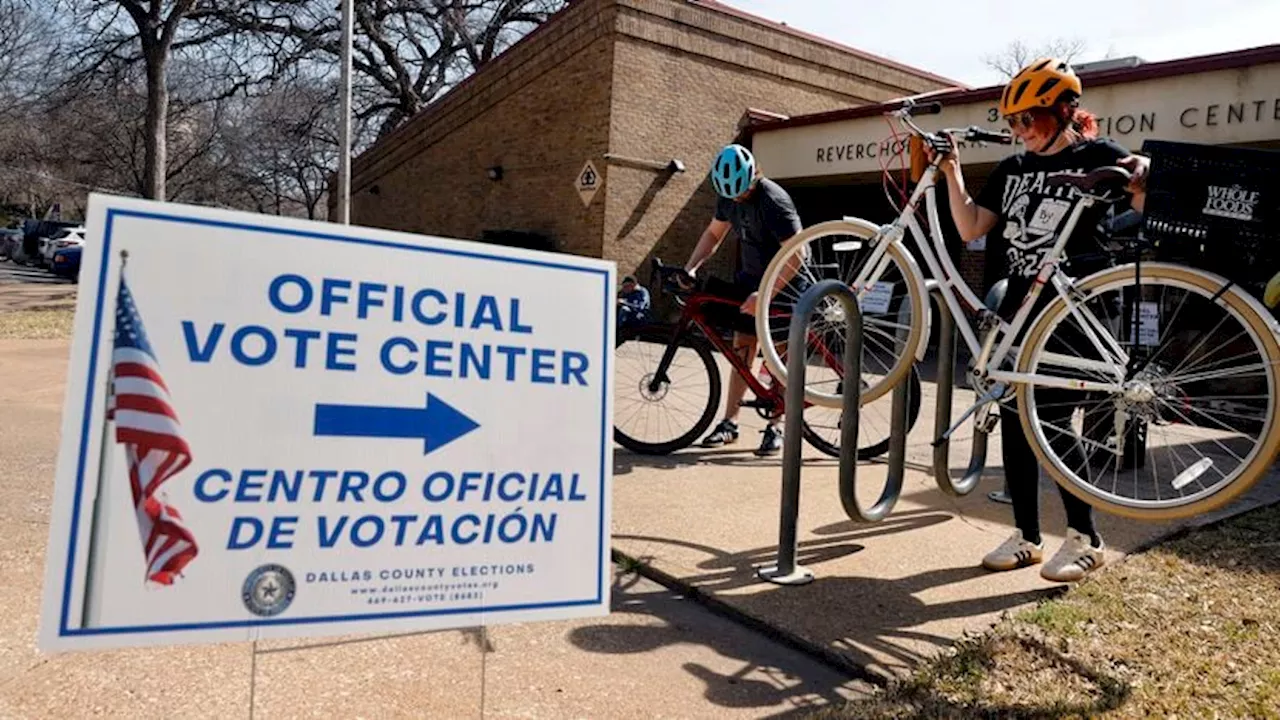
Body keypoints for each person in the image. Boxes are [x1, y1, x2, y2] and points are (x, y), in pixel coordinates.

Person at [928, 58, 1149, 583]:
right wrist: (951, 169)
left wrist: (1142, 169)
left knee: (1049, 420)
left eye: (1029, 119)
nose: (1019, 131)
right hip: (1018, 306)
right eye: (1013, 122)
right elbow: (971, 227)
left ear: (1065, 110)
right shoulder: (1012, 170)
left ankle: (1085, 538)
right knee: (1014, 417)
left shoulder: (1096, 155)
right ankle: (1027, 536)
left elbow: (1142, 192)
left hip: (1075, 309)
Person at [682, 143, 804, 457]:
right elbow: (713, 234)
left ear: (753, 177)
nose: (737, 199)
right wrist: (691, 267)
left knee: (778, 361)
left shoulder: (774, 201)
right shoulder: (728, 197)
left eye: (742, 192)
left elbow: (797, 256)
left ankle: (775, 427)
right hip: (750, 280)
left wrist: (766, 293)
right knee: (742, 353)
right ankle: (729, 424)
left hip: (785, 284)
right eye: (731, 195)